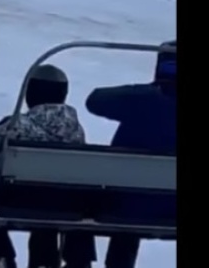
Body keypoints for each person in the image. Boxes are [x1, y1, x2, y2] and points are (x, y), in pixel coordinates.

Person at [0, 64, 96, 268]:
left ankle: (0, 254)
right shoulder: (75, 129)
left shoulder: (18, 125)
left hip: (23, 198)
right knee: (55, 207)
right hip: (68, 202)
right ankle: (73, 261)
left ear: (31, 92)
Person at [85, 40, 176, 268]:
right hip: (171, 204)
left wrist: (146, 91)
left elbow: (95, 100)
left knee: (125, 186)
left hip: (125, 202)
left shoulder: (142, 100)